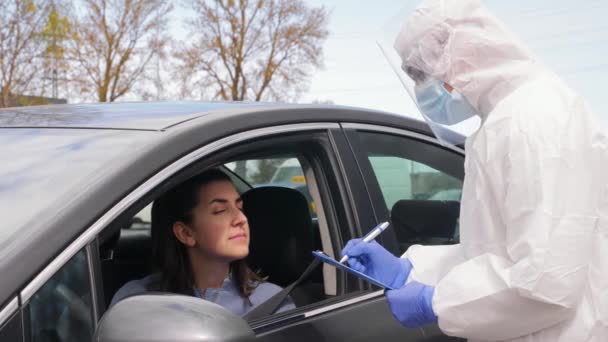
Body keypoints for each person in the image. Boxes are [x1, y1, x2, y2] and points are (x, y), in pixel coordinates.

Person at [342, 0, 608, 340]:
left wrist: (434, 300)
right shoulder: (506, 121)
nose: (421, 89)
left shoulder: (535, 123)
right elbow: (496, 253)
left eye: (421, 73)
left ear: (463, 54)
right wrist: (412, 269)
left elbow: (546, 283)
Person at [111, 169, 295, 316]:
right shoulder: (136, 302)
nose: (241, 219)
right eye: (220, 210)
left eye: (240, 208)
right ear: (185, 233)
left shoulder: (271, 301)